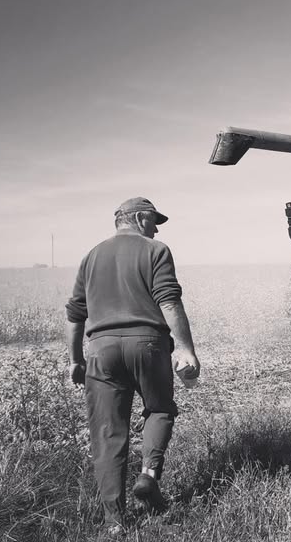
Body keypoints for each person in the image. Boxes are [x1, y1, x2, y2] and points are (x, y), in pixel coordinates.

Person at [65, 197, 200, 534]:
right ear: (139, 218)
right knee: (160, 409)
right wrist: (185, 348)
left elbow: (75, 315)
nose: (156, 227)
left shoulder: (90, 256)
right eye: (154, 220)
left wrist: (75, 359)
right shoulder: (156, 250)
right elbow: (168, 299)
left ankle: (114, 523)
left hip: (100, 350)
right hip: (147, 344)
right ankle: (149, 476)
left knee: (108, 434)